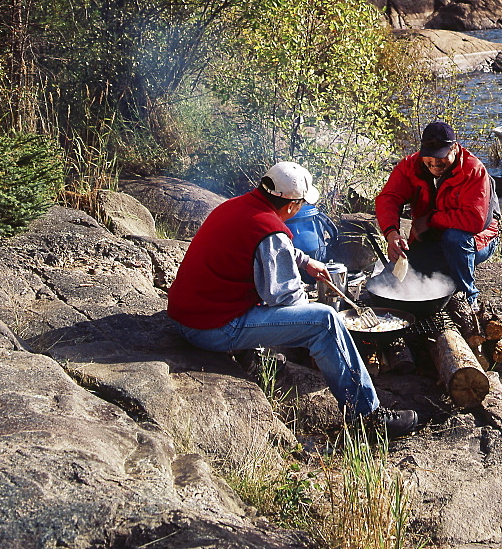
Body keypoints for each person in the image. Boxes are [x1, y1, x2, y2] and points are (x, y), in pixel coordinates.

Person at [167, 161, 418, 439]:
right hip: (210, 329)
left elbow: (270, 247)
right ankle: (369, 418)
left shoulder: (238, 206)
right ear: (291, 205)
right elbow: (284, 298)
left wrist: (306, 261)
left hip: (187, 315)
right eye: (301, 204)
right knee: (324, 321)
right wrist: (311, 310)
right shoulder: (271, 231)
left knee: (314, 317)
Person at [375, 121, 499, 311]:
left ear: (455, 148)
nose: (435, 163)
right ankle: (446, 269)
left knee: (454, 239)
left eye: (441, 156)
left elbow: (474, 220)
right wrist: (391, 234)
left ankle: (468, 297)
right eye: (429, 157)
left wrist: (431, 220)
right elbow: (388, 199)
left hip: (477, 240)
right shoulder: (411, 166)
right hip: (434, 236)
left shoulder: (473, 170)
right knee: (402, 274)